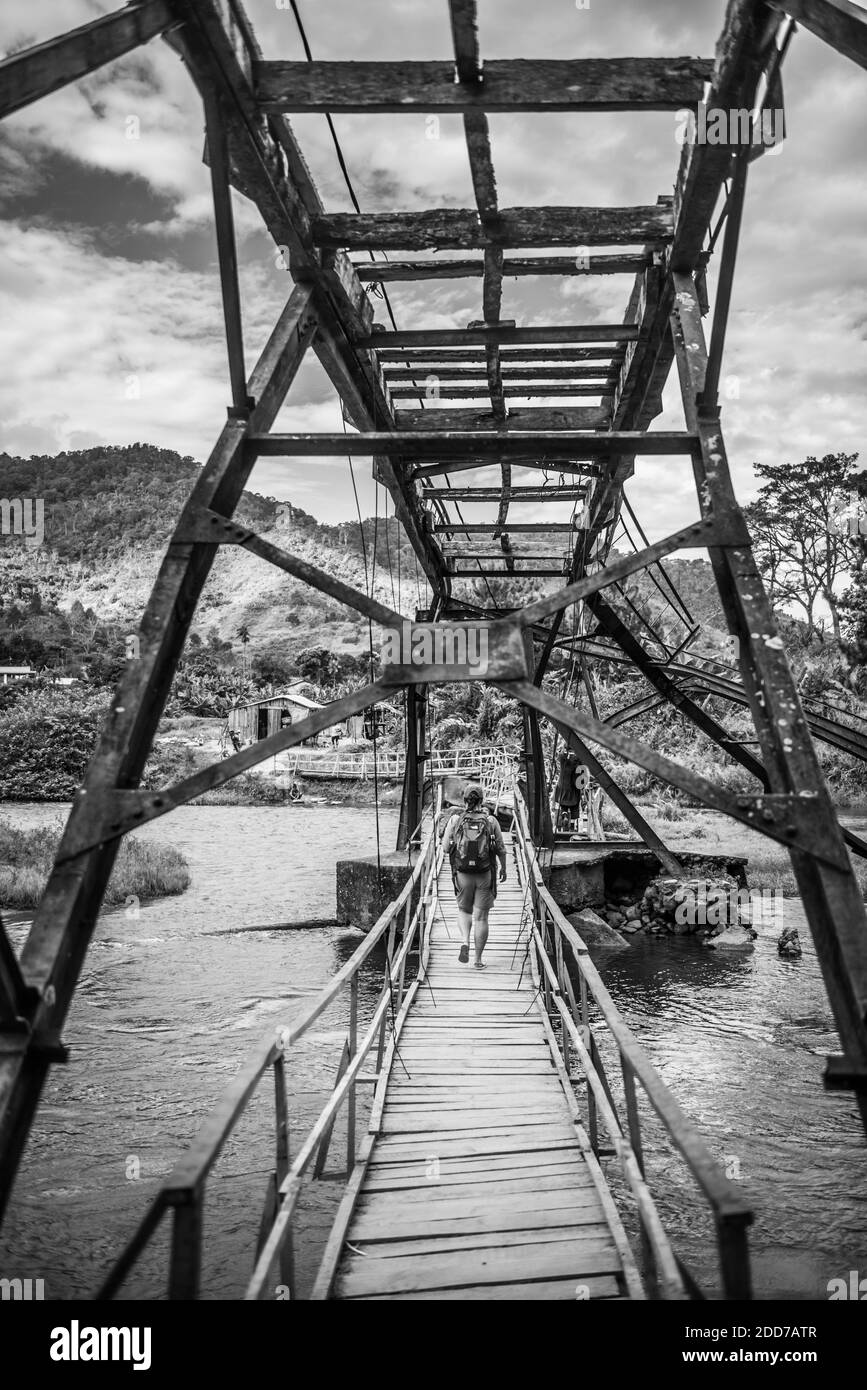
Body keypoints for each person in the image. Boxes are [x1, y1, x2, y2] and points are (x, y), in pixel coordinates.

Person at [440, 784, 507, 969]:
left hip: (462, 873)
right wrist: (504, 869)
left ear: (465, 800)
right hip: (485, 873)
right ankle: (478, 960)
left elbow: (446, 848)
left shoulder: (455, 820)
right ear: (482, 800)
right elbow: (501, 849)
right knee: (481, 918)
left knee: (464, 911)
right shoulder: (491, 821)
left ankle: (464, 942)